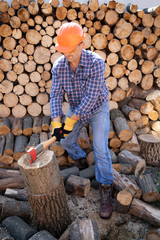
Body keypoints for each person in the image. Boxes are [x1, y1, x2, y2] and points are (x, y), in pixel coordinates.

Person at [50, 22, 114, 219]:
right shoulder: (59, 67)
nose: (67, 54)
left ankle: (106, 185)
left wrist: (70, 121)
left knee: (101, 149)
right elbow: (55, 96)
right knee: (66, 140)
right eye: (64, 50)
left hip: (97, 107)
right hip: (75, 106)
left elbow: (91, 97)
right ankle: (81, 158)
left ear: (82, 44)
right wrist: (56, 121)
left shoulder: (96, 62)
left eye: (70, 50)